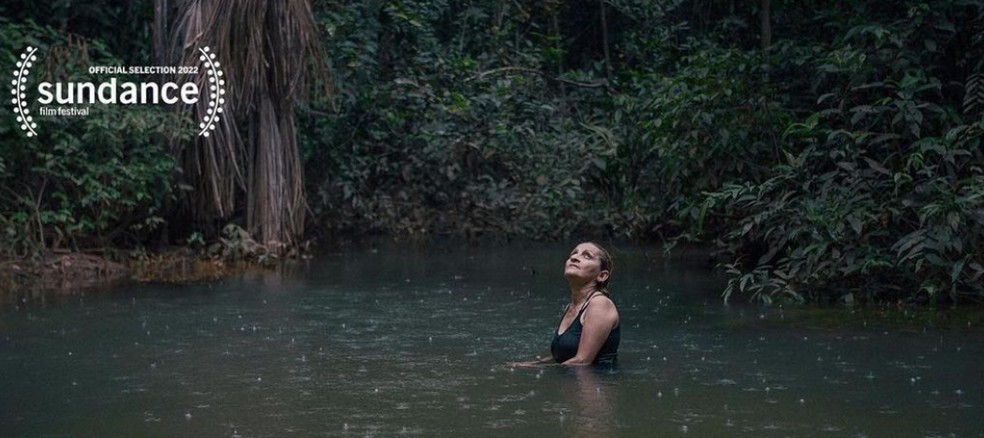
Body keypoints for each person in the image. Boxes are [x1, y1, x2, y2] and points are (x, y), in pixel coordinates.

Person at [514, 242, 620, 366]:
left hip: (596, 382)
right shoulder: (570, 308)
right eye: (573, 254)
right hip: (572, 379)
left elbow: (583, 361)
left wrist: (545, 372)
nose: (574, 258)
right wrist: (531, 365)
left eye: (587, 256)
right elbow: (564, 356)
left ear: (602, 275)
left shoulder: (600, 304)